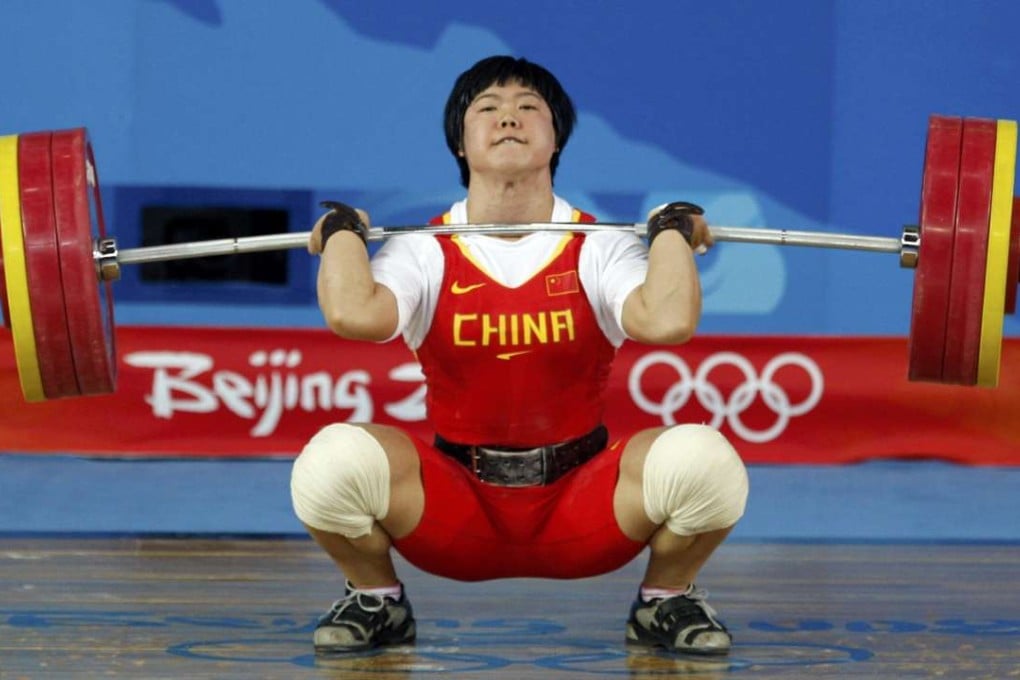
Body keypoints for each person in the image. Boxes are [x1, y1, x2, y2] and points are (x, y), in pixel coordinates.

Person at [290, 55, 749, 657]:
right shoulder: (424, 252)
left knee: (705, 460)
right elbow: (353, 314)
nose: (509, 116)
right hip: (455, 510)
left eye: (528, 106)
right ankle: (377, 599)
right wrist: (346, 233)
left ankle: (666, 598)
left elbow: (666, 322)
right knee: (330, 461)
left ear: (555, 138)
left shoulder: (600, 247)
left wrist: (669, 236)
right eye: (488, 107)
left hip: (584, 510)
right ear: (461, 142)